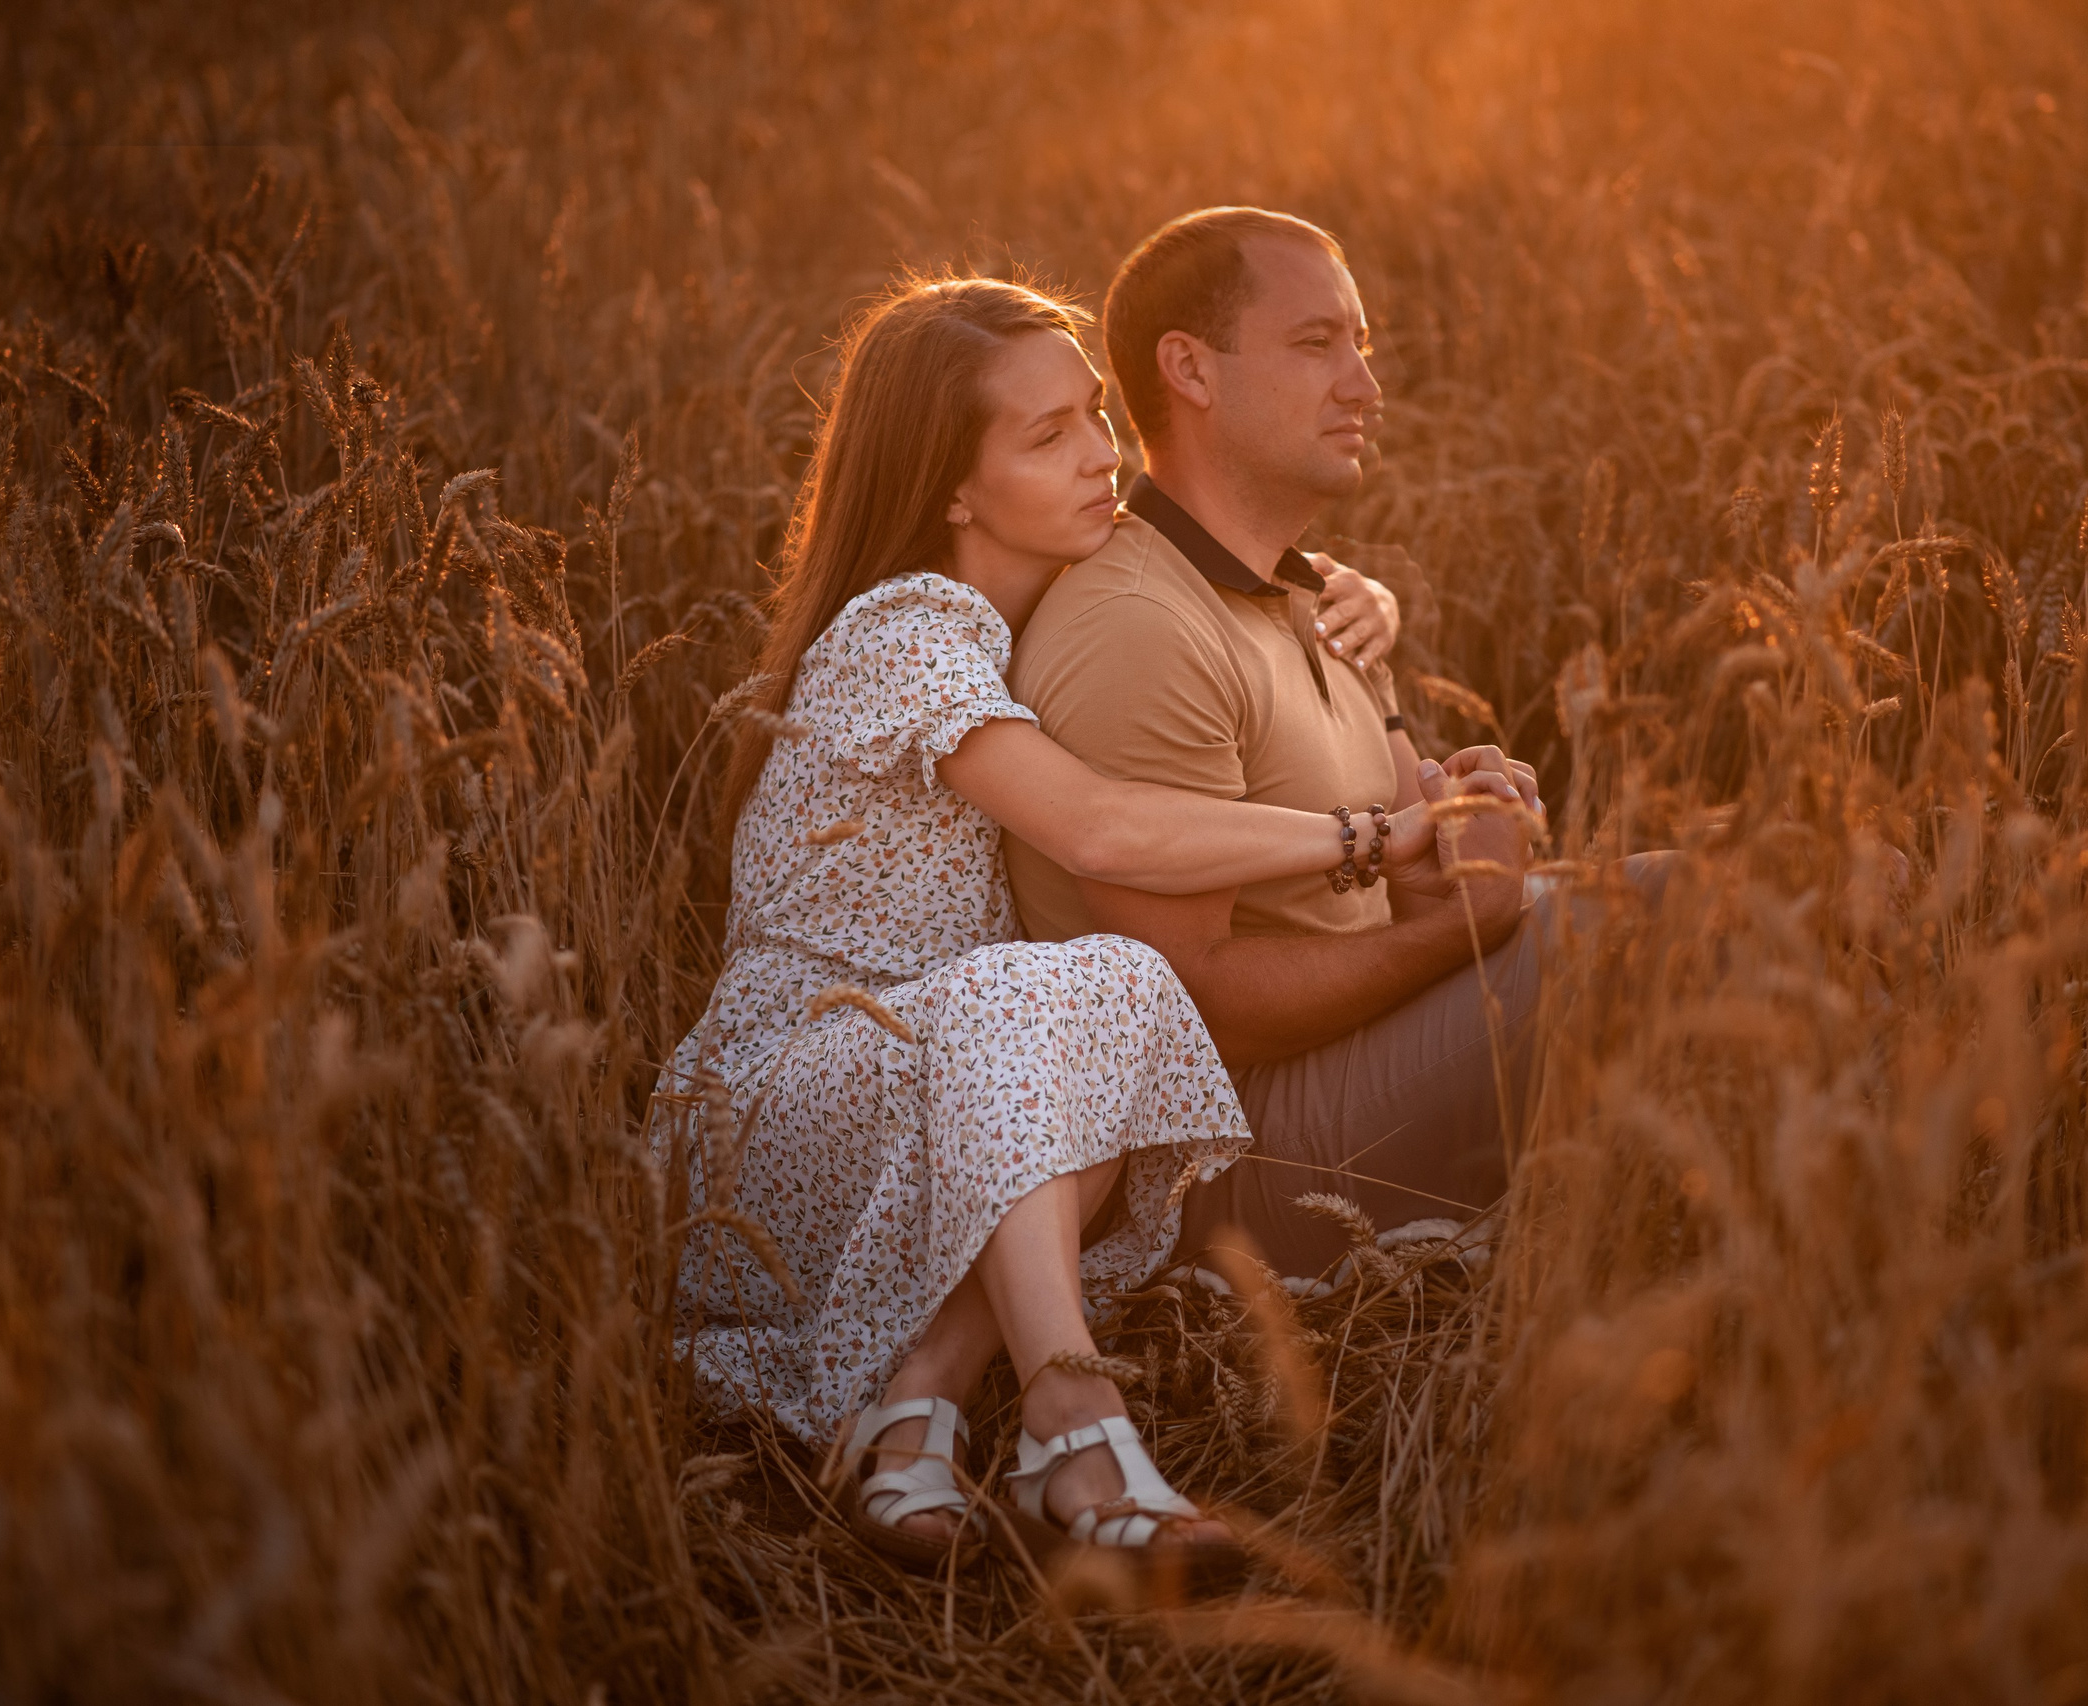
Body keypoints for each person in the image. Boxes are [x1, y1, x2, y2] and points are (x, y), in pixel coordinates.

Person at [661, 275, 1511, 1595]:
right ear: (952, 487)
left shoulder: (1030, 630)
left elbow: (1209, 595)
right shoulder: (907, 628)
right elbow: (1105, 832)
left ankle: (915, 1410)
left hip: (940, 1090)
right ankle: (1073, 1424)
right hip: (783, 1107)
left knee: (1097, 1000)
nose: (1103, 455)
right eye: (1046, 437)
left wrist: (1348, 612)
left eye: (1099, 418)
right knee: (1079, 986)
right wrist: (1363, 836)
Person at [1007, 206, 1666, 1282]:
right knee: (1674, 914)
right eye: (1316, 344)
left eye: (1361, 344)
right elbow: (1189, 1003)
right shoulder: (1138, 624)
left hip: (1361, 1063)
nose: (1363, 383)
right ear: (1191, 370)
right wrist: (1458, 935)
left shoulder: (1315, 598)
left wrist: (1467, 816)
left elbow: (1383, 853)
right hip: (1234, 1163)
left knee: (1801, 882)